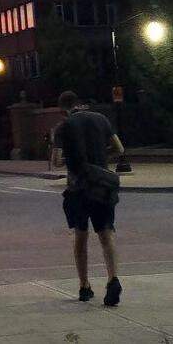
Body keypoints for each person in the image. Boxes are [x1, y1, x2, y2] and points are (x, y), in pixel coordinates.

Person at [52, 90, 125, 306]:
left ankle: (84, 286)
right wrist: (102, 158)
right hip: (101, 185)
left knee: (81, 237)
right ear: (79, 103)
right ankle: (113, 278)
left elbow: (56, 161)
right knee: (106, 234)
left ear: (62, 109)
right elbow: (119, 149)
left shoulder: (63, 127)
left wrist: (71, 160)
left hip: (78, 188)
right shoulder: (100, 119)